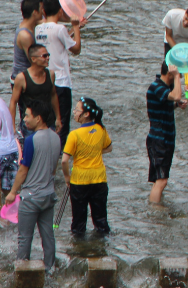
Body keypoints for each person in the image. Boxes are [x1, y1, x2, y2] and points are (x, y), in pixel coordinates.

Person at [5, 101, 60, 269]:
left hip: (31, 197)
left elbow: (23, 170)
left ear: (38, 118)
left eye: (28, 116)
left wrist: (13, 192)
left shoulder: (31, 140)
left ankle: (22, 272)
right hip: (49, 195)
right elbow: (53, 168)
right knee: (48, 236)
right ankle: (50, 270)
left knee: (24, 238)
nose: (25, 119)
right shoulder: (56, 137)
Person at [35, 0, 84, 147]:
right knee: (62, 124)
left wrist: (73, 28)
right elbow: (76, 49)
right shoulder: (61, 29)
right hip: (61, 83)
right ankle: (61, 154)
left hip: (44, 81)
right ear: (60, 11)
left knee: (47, 121)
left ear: (43, 11)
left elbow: (56, 39)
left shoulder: (38, 28)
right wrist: (76, 26)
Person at [61, 97, 112, 236]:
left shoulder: (74, 135)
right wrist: (93, 151)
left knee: (78, 223)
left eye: (77, 110)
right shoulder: (101, 129)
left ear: (86, 114)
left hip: (79, 181)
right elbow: (109, 148)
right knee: (101, 220)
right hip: (99, 179)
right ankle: (102, 250)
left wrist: (67, 178)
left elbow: (64, 161)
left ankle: (79, 251)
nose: (74, 112)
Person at [147, 61, 186, 204]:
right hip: (159, 139)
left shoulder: (163, 88)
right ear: (170, 73)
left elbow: (171, 101)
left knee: (159, 179)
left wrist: (176, 105)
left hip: (164, 139)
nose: (180, 76)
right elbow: (176, 96)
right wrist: (176, 78)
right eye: (178, 74)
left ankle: (156, 206)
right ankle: (156, 212)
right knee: (161, 181)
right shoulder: (157, 86)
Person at [8, 44, 60, 139]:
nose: (48, 58)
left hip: (49, 122)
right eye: (44, 56)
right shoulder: (22, 78)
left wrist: (58, 118)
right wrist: (12, 127)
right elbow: (13, 102)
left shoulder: (51, 74)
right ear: (33, 59)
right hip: (30, 124)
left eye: (48, 55)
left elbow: (53, 95)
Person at [162, 5, 188, 92]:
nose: (186, 23)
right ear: (185, 12)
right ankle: (168, 92)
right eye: (185, 18)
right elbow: (169, 36)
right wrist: (179, 53)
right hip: (172, 40)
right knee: (170, 69)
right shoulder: (172, 15)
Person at [12, 0, 43, 95]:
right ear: (34, 13)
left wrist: (76, 24)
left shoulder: (30, 24)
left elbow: (50, 20)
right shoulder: (25, 35)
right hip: (23, 80)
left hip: (27, 76)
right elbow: (34, 60)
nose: (43, 12)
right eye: (41, 9)